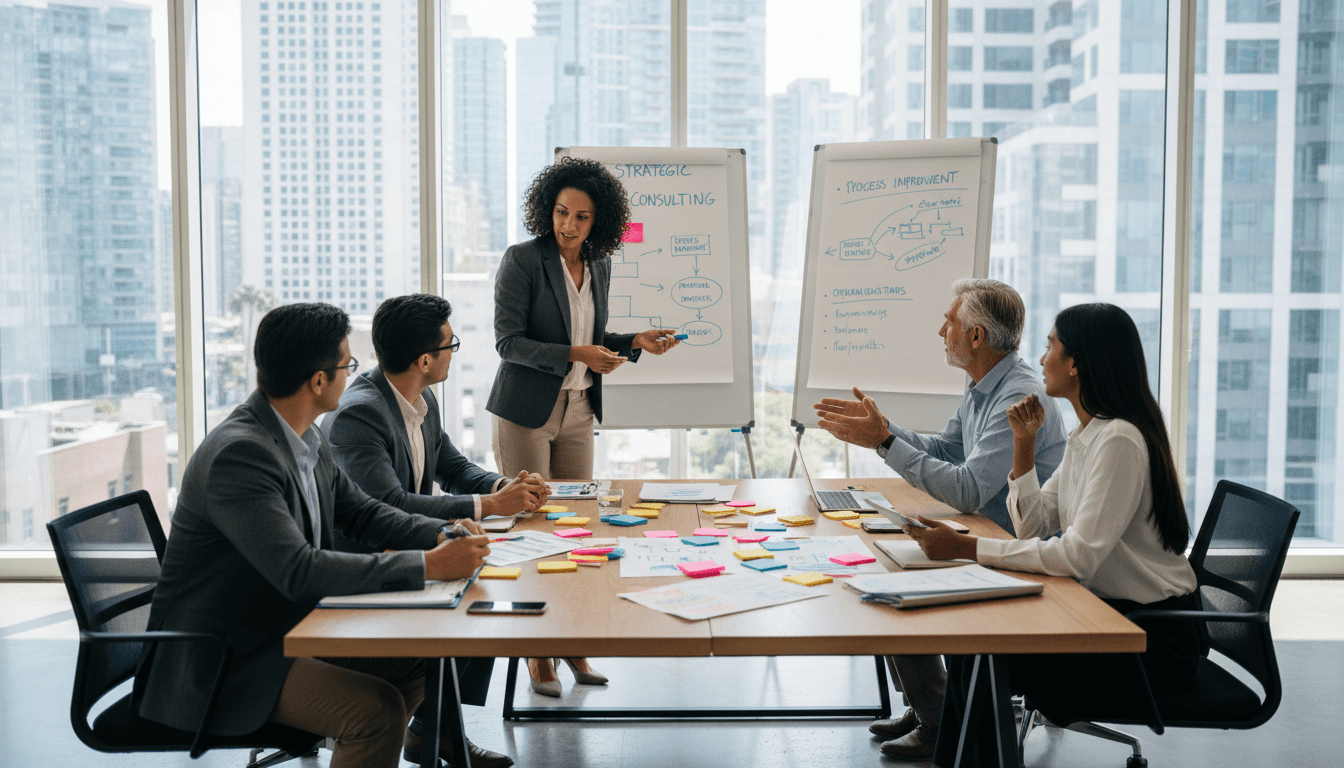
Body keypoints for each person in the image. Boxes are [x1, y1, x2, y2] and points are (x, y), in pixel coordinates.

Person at [133, 303, 494, 768]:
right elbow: (299, 571)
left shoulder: (305, 435)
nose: (353, 376)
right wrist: (428, 565)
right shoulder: (240, 455)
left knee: (428, 660)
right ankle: (363, 740)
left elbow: (362, 513)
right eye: (348, 366)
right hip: (227, 659)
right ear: (319, 381)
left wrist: (442, 531)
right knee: (376, 713)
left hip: (285, 630)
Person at [904, 302, 1205, 768]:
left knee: (986, 654)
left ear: (1076, 363)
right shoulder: (1091, 434)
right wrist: (1023, 449)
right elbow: (1037, 524)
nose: (1041, 359)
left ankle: (977, 759)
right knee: (973, 646)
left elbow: (1078, 556)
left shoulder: (1120, 440)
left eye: (1050, 348)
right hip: (1110, 614)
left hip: (1151, 638)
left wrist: (970, 548)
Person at [812, 278, 1068, 760]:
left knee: (891, 583)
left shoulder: (1018, 395)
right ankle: (934, 705)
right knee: (882, 561)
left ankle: (938, 719)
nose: (940, 331)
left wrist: (884, 444)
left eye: (949, 321)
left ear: (976, 336)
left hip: (1016, 546)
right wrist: (884, 430)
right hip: (986, 533)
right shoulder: (983, 386)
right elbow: (947, 449)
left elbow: (967, 488)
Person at [488, 156, 682, 696]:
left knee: (577, 531)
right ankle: (537, 657)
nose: (568, 225)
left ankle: (571, 644)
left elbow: (593, 335)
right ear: (547, 210)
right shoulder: (522, 260)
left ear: (600, 222)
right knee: (533, 529)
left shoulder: (597, 264)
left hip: (578, 410)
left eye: (581, 216)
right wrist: (577, 352)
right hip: (527, 411)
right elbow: (508, 342)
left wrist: (633, 342)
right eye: (560, 212)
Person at [325, 292, 544, 767]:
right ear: (425, 359)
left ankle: (431, 732)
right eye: (451, 346)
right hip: (368, 565)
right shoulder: (360, 413)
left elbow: (453, 467)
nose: (452, 353)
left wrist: (506, 486)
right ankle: (436, 733)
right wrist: (489, 505)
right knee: (476, 599)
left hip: (407, 547)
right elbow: (386, 504)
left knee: (484, 587)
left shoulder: (419, 398)